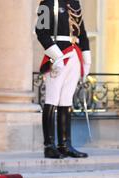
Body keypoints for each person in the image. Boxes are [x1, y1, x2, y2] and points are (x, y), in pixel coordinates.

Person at [36, 0, 91, 159]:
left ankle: (65, 144)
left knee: (66, 100)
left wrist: (87, 60)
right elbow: (41, 31)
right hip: (58, 57)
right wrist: (56, 56)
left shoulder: (75, 3)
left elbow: (83, 33)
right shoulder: (47, 3)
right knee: (52, 99)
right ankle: (49, 146)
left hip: (74, 55)